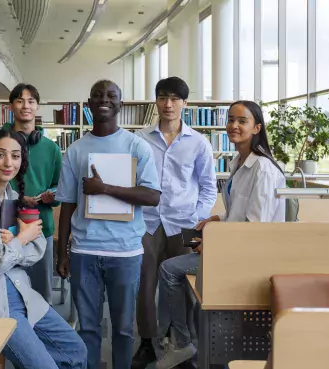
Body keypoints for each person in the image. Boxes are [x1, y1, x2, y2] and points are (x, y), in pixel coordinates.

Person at [155, 100, 286, 369]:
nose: (234, 126)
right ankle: (192, 344)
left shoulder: (262, 169)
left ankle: (182, 344)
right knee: (192, 287)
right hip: (234, 248)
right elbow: (242, 214)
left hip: (248, 257)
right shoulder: (239, 161)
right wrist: (217, 218)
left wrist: (216, 244)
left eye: (242, 121)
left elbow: (256, 228)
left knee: (170, 271)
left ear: (257, 127)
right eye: (231, 119)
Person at [0, 129, 87, 369]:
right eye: (0, 155)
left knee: (76, 350)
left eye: (15, 156)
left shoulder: (12, 197)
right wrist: (21, 238)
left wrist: (14, 243)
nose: (8, 163)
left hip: (23, 293)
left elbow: (38, 249)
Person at [56, 80, 161, 369]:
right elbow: (67, 204)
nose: (105, 99)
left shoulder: (137, 146)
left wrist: (105, 189)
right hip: (84, 252)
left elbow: (152, 196)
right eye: (98, 96)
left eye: (112, 96)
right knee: (87, 328)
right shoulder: (75, 151)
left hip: (125, 252)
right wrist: (62, 252)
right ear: (89, 104)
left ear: (121, 104)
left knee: (124, 329)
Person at [132, 77, 217, 369]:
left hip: (186, 224)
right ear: (156, 101)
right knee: (145, 285)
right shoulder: (139, 139)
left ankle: (182, 344)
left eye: (175, 99)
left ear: (184, 103)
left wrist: (197, 218)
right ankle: (147, 342)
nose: (168, 104)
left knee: (186, 286)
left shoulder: (199, 142)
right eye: (163, 97)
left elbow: (208, 187)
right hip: (147, 222)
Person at [2, 83, 62, 304]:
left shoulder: (51, 148)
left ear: (37, 107)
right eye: (19, 101)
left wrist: (52, 195)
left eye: (31, 101)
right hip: (5, 228)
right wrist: (17, 197)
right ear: (11, 106)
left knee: (40, 295)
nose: (25, 106)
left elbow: (59, 185)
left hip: (40, 228)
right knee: (7, 294)